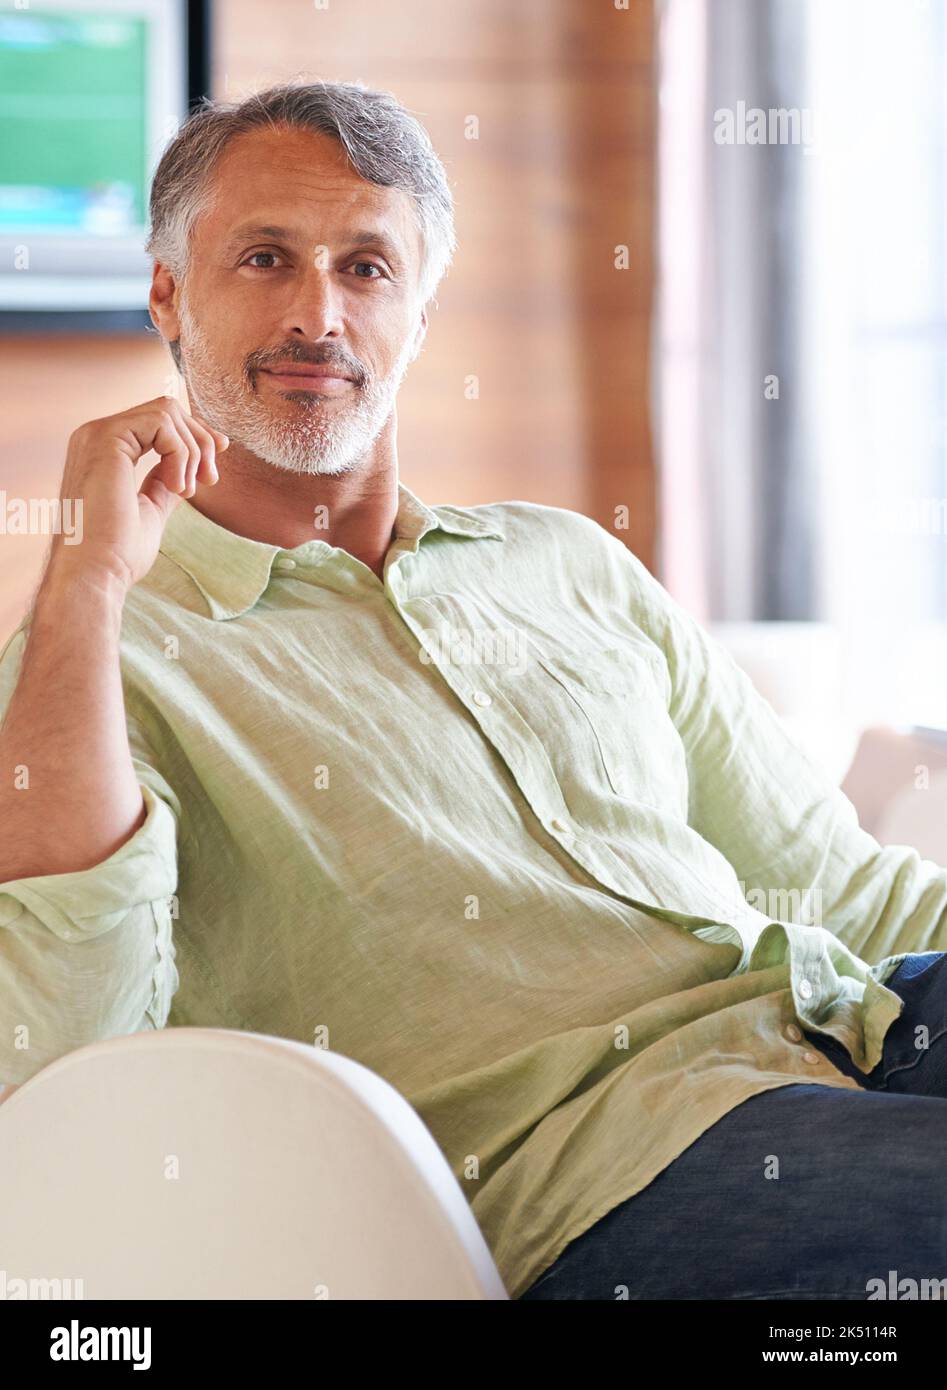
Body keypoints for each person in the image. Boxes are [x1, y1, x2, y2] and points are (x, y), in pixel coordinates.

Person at [0, 81, 945, 1301]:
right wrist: (80, 580)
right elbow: (55, 1062)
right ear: (171, 296)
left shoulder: (568, 562)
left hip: (856, 1023)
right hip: (609, 1172)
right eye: (265, 257)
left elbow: (845, 886)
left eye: (366, 267)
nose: (316, 313)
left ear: (421, 311)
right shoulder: (94, 665)